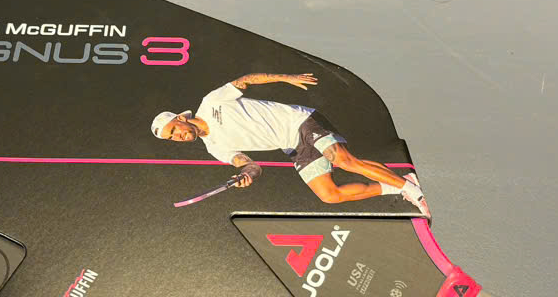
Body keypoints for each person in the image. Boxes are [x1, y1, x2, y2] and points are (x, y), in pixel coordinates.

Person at [151, 72, 430, 217]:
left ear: (180, 118)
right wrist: (246, 175)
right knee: (329, 195)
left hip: (300, 121)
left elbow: (245, 81)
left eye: (174, 130)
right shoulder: (214, 147)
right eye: (171, 138)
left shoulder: (211, 102)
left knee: (342, 160)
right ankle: (398, 184)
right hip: (293, 146)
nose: (178, 137)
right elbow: (249, 165)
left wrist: (286, 78)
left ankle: (414, 192)